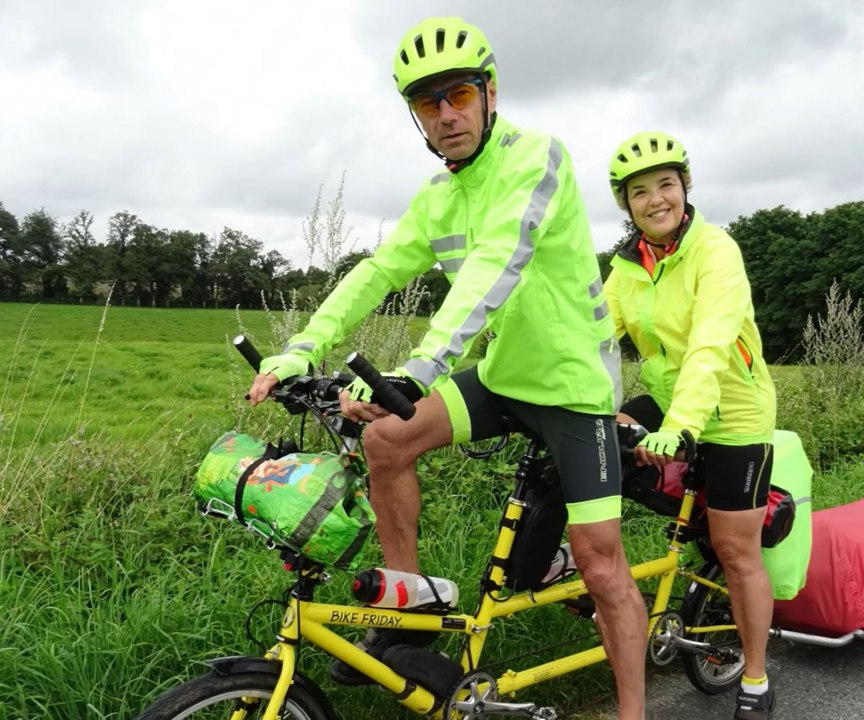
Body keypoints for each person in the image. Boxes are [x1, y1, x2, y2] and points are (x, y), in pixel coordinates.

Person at [246, 17, 648, 719]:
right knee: (384, 440)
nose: (446, 115)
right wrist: (302, 348)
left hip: (573, 390)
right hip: (503, 378)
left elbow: (496, 261)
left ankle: (634, 711)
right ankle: (410, 610)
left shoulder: (537, 157)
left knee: (600, 563)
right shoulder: (438, 195)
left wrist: (422, 366)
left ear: (489, 92)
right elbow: (378, 271)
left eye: (458, 94)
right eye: (427, 103)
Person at [602, 131, 778, 720]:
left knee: (736, 550)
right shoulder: (627, 267)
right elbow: (592, 337)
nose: (655, 199)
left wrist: (681, 427)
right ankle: (569, 565)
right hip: (666, 401)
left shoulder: (716, 251)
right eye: (640, 192)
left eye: (666, 185)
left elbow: (709, 346)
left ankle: (755, 676)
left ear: (685, 187)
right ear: (627, 205)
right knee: (588, 443)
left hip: (733, 413)